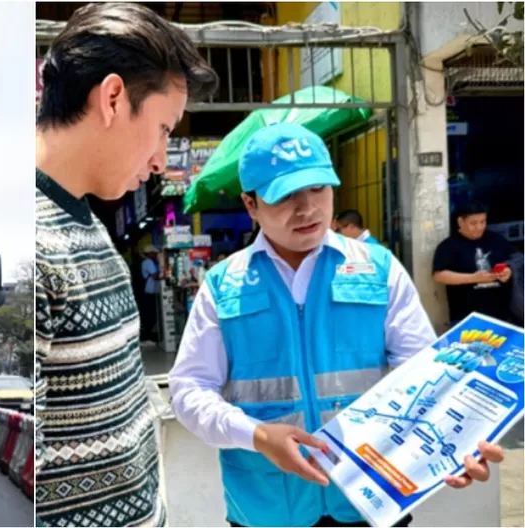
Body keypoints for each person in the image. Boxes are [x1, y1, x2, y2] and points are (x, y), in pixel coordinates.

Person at [168, 122, 506, 528]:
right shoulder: (224, 286)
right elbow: (189, 390)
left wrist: (458, 442)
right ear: (250, 204)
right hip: (267, 508)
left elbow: (426, 376)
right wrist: (256, 436)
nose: (307, 208)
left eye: (318, 189)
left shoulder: (378, 269)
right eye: (286, 195)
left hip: (373, 497)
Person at [34, 3, 218, 526]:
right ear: (113, 98)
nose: (162, 158)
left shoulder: (85, 221)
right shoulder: (40, 245)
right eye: (163, 127)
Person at [432, 202, 515, 325]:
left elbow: (515, 259)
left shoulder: (496, 240)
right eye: (473, 223)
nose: (479, 227)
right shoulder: (449, 246)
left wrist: (509, 271)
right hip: (466, 317)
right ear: (460, 222)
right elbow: (439, 275)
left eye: (483, 222)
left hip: (502, 315)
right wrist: (473, 278)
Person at [140, 245, 161, 341]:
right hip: (150, 291)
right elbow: (155, 276)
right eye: (155, 253)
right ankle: (149, 336)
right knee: (152, 314)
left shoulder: (148, 262)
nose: (156, 255)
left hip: (151, 291)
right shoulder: (148, 262)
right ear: (150, 253)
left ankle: (150, 334)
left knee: (151, 313)